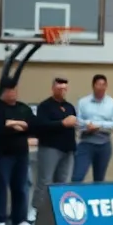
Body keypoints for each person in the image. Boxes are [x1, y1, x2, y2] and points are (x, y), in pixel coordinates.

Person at [0, 81, 34, 225]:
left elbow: (32, 126)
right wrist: (20, 126)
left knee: (21, 187)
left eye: (14, 90)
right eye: (9, 90)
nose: (12, 93)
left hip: (21, 153)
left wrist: (12, 123)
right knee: (1, 187)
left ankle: (19, 220)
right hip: (3, 154)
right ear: (3, 92)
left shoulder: (23, 108)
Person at [32, 77, 78, 216]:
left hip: (67, 149)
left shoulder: (69, 107)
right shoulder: (45, 106)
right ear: (53, 88)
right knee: (45, 181)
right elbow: (41, 125)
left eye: (64, 88)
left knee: (63, 182)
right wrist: (62, 123)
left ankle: (59, 212)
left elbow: (73, 125)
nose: (62, 91)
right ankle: (37, 212)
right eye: (59, 88)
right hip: (50, 148)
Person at [72, 74, 113, 183]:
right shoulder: (83, 102)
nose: (101, 87)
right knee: (77, 177)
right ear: (93, 86)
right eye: (98, 84)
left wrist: (99, 126)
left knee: (99, 179)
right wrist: (88, 125)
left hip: (104, 144)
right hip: (86, 143)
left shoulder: (112, 103)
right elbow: (77, 121)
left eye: (103, 85)